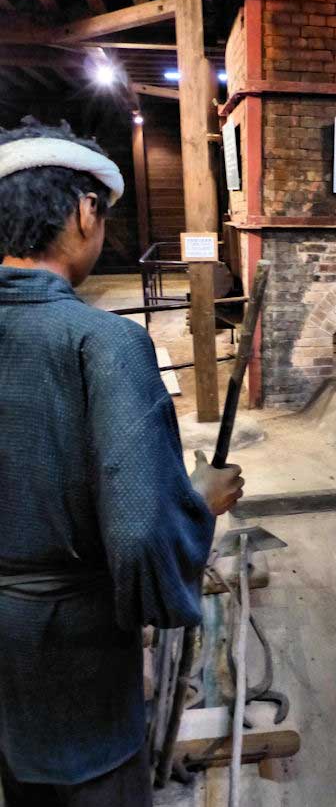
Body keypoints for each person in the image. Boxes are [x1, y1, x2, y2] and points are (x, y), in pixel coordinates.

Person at [0, 117, 244, 807]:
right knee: (93, 783)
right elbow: (140, 533)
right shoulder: (101, 343)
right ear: (84, 213)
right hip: (70, 647)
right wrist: (200, 501)